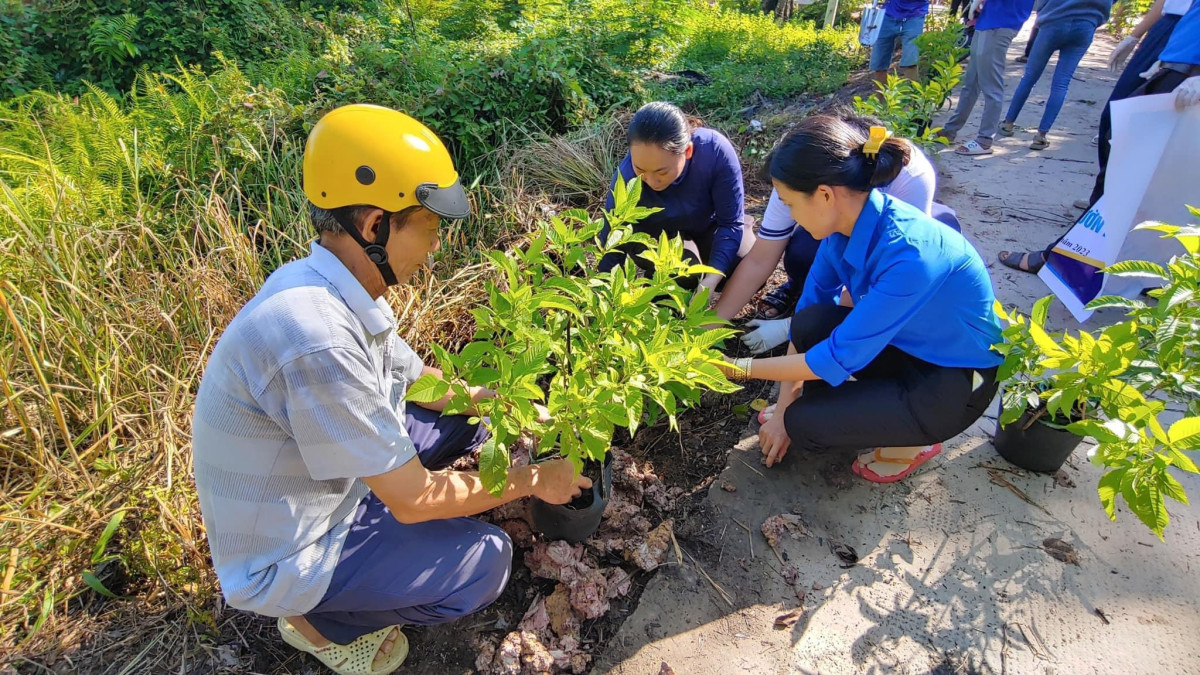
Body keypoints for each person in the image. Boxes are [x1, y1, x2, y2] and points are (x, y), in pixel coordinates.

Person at [191, 104, 590, 675]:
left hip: (328, 482)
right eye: (428, 228)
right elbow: (415, 498)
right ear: (376, 224)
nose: (435, 247)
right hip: (292, 544)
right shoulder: (316, 337)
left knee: (469, 418)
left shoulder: (337, 285)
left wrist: (506, 402)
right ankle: (318, 624)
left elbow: (420, 383)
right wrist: (533, 481)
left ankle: (371, 553)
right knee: (486, 564)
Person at [718, 116, 1002, 483]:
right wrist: (786, 400)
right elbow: (808, 316)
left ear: (823, 195)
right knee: (811, 324)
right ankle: (842, 409)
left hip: (954, 381)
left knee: (804, 426)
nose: (791, 215)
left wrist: (735, 369)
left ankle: (914, 442)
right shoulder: (841, 230)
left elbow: (836, 356)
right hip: (908, 346)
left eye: (790, 203)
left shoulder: (911, 255)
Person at [999, 0, 1200, 273]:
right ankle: (1093, 250)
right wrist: (1143, 40)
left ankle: (1073, 258)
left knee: (1147, 173)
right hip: (1175, 50)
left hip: (1188, 69)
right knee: (1116, 138)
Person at [712, 114, 939, 355]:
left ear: (824, 193)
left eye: (789, 203)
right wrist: (710, 325)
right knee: (804, 252)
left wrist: (788, 330)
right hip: (843, 224)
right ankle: (796, 288)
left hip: (900, 248)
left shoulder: (909, 179)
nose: (787, 208)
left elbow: (873, 295)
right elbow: (761, 258)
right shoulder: (798, 179)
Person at [599, 101, 753, 291]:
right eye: (640, 169)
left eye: (662, 172)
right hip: (657, 236)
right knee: (681, 272)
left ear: (687, 151)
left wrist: (713, 278)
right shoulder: (626, 178)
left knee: (744, 263)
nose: (652, 181)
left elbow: (730, 223)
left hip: (706, 225)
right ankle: (659, 293)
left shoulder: (714, 151)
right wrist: (605, 297)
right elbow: (613, 241)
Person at [1000, 0, 1114, 150]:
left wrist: (1043, 14)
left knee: (1029, 77)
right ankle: (1041, 136)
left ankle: (1008, 124)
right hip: (1085, 26)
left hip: (1054, 21)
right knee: (1061, 83)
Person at [941, 0, 1038, 155]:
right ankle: (950, 130)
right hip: (987, 20)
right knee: (971, 83)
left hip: (1001, 22)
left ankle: (984, 140)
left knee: (991, 86)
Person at [870, 0, 932, 87]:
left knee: (911, 61)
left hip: (915, 14)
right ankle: (880, 100)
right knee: (879, 63)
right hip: (888, 13)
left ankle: (912, 99)